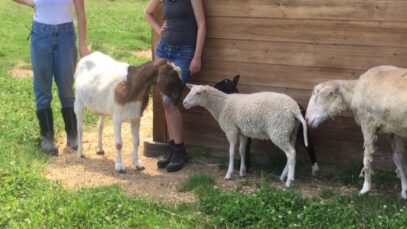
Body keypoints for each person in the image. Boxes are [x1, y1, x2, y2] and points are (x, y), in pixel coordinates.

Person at [13, 0, 90, 155]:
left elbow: (81, 13)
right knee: (42, 88)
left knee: (67, 88)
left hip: (66, 36)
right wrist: (31, 3)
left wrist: (82, 43)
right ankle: (47, 137)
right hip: (40, 34)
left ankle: (73, 135)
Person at [145, 0, 206, 172]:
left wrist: (197, 56)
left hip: (184, 53)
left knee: (170, 101)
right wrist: (159, 31)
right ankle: (173, 148)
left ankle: (179, 150)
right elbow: (147, 12)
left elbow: (201, 25)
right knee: (166, 101)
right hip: (164, 51)